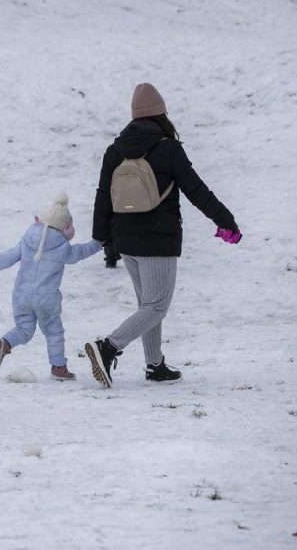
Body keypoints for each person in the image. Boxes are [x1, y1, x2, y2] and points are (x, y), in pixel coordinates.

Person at [85, 83, 241, 388]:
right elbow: (197, 191)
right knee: (156, 306)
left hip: (126, 241)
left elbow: (103, 195)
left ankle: (155, 366)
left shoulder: (115, 151)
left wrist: (103, 238)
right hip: (158, 241)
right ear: (161, 113)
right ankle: (108, 347)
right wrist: (226, 222)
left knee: (148, 305)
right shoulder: (168, 148)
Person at [0, 193, 103, 381]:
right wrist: (99, 243)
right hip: (46, 299)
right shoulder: (62, 246)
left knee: (24, 329)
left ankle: (5, 343)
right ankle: (59, 368)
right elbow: (81, 252)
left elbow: (7, 257)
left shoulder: (28, 239)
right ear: (65, 227)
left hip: (21, 296)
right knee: (54, 332)